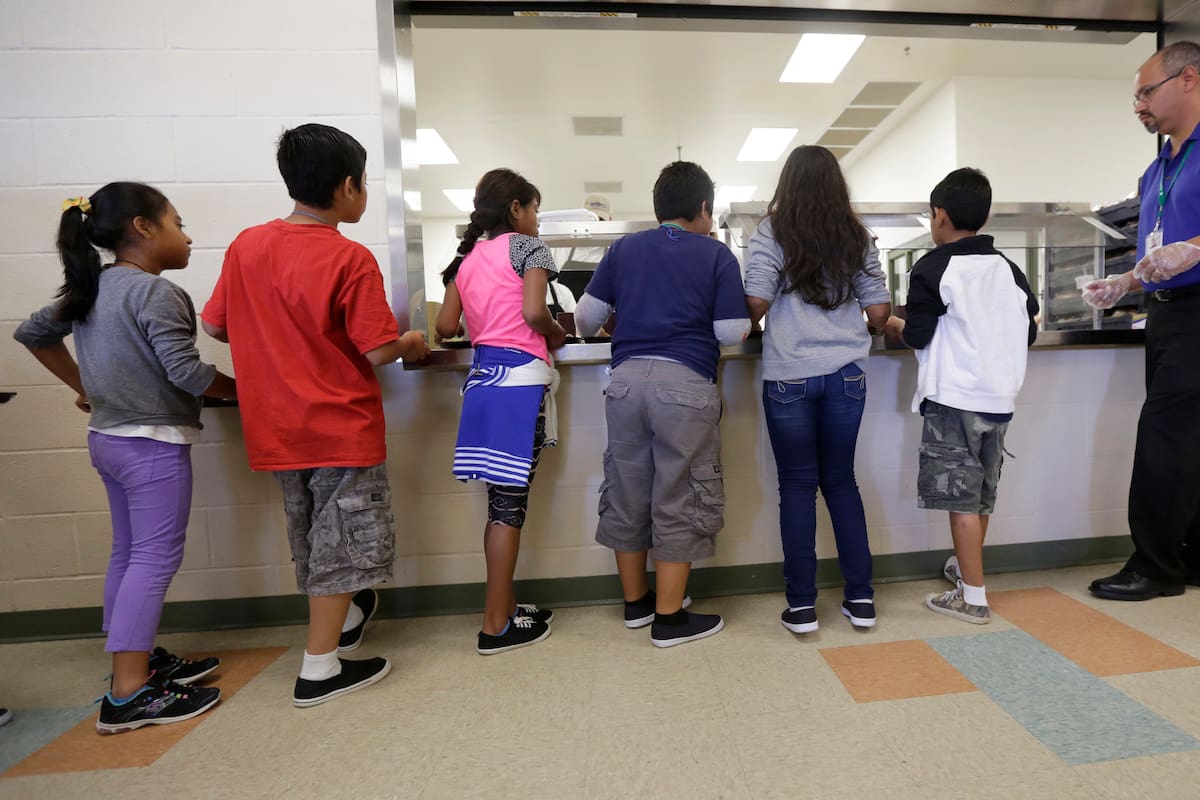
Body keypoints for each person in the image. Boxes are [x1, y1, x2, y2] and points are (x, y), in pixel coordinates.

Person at [201, 124, 430, 706]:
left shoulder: (246, 245)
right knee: (344, 545)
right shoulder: (349, 258)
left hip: (276, 428)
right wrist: (412, 341)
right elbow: (377, 351)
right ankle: (320, 669)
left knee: (312, 538)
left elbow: (215, 325)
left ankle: (346, 622)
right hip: (338, 426)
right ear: (348, 186)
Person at [14, 182, 235, 733]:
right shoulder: (155, 293)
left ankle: (136, 657)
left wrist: (85, 384)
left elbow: (32, 333)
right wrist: (244, 389)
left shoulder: (92, 287)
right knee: (154, 558)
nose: (187, 237)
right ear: (144, 227)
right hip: (151, 444)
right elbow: (184, 372)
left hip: (108, 439)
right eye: (179, 223)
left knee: (130, 552)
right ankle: (129, 692)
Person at [575, 161, 750, 647]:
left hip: (625, 383)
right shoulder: (716, 255)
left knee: (628, 489)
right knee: (680, 493)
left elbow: (585, 320)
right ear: (702, 208)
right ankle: (670, 619)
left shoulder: (623, 248)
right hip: (685, 384)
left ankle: (637, 605)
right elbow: (730, 332)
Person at [744, 145, 892, 635]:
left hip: (788, 375)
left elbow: (756, 303)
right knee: (842, 482)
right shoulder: (854, 234)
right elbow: (877, 310)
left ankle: (803, 607)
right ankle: (861, 598)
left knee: (797, 488)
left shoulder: (770, 231)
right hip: (846, 374)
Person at [885, 168, 1038, 625]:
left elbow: (916, 334)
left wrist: (889, 323)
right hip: (1000, 401)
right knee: (980, 499)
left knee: (959, 502)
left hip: (954, 400)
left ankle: (972, 597)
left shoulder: (933, 267)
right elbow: (1029, 330)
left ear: (940, 216)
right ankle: (966, 570)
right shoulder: (1009, 269)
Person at [1083, 42, 1200, 601]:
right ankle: (1187, 556)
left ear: (1189, 80)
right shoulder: (1157, 169)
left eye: (1146, 92)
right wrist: (1126, 283)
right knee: (1186, 441)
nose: (1138, 106)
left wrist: (1195, 250)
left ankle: (1154, 566)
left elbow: (1185, 250)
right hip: (1166, 317)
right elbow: (1155, 253)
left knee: (1163, 438)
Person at [435, 169, 565, 655]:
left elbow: (447, 326)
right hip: (520, 389)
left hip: (483, 387)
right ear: (516, 208)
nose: (536, 219)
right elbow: (535, 314)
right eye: (534, 208)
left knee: (499, 506)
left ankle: (505, 607)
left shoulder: (466, 260)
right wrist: (555, 334)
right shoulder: (529, 249)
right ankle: (495, 625)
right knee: (509, 510)